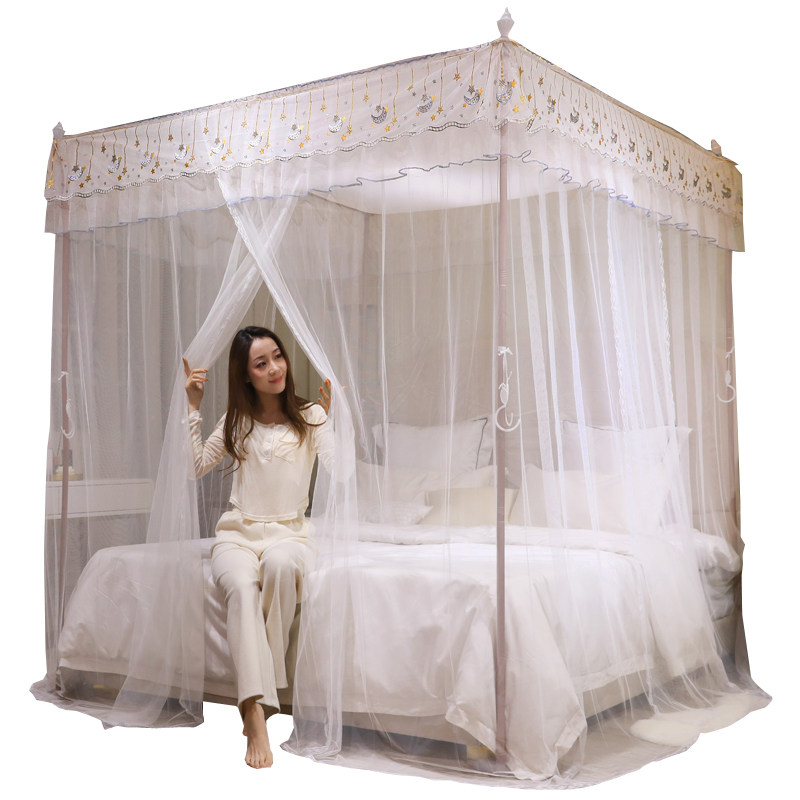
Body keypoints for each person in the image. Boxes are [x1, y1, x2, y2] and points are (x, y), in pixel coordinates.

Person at [183, 326, 334, 769]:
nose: (274, 369)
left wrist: (337, 422)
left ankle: (259, 702)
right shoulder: (236, 419)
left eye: (277, 357)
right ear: (246, 375)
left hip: (292, 535)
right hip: (237, 535)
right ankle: (255, 709)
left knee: (283, 567)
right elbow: (195, 466)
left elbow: (342, 472)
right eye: (261, 363)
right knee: (242, 588)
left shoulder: (312, 416)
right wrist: (192, 408)